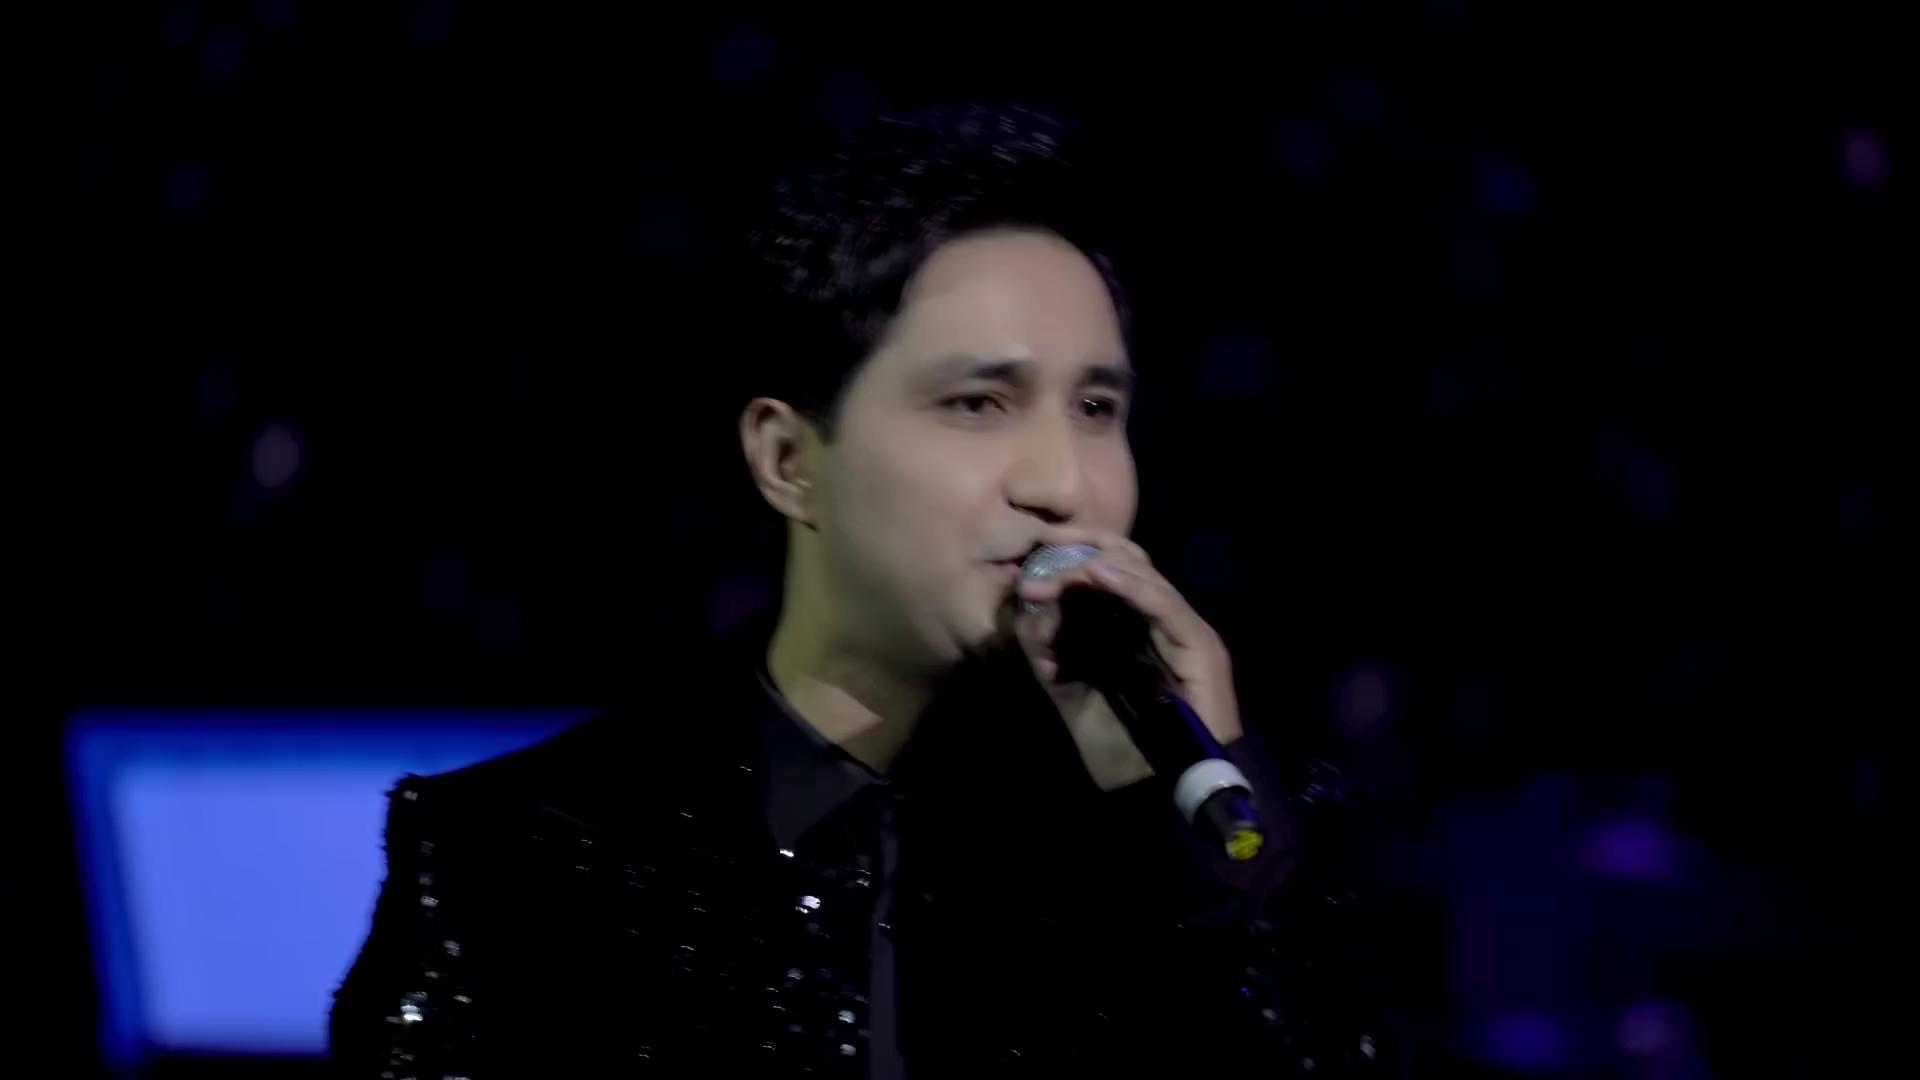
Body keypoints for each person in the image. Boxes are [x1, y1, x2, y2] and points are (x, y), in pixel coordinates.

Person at [329, 103, 1393, 1077]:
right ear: (789, 459)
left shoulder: (1218, 835)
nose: (1063, 484)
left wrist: (1202, 861)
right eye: (979, 404)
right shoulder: (518, 861)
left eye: (1096, 410)